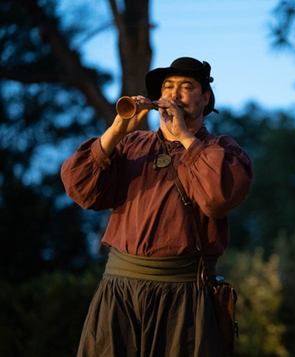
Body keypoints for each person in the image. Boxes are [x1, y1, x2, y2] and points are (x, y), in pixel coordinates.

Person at [61, 57, 253, 357]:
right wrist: (116, 130)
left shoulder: (223, 150)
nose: (174, 94)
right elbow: (81, 189)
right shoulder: (132, 144)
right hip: (119, 292)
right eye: (168, 87)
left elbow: (220, 196)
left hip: (184, 297)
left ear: (205, 98)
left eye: (186, 87)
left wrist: (185, 138)